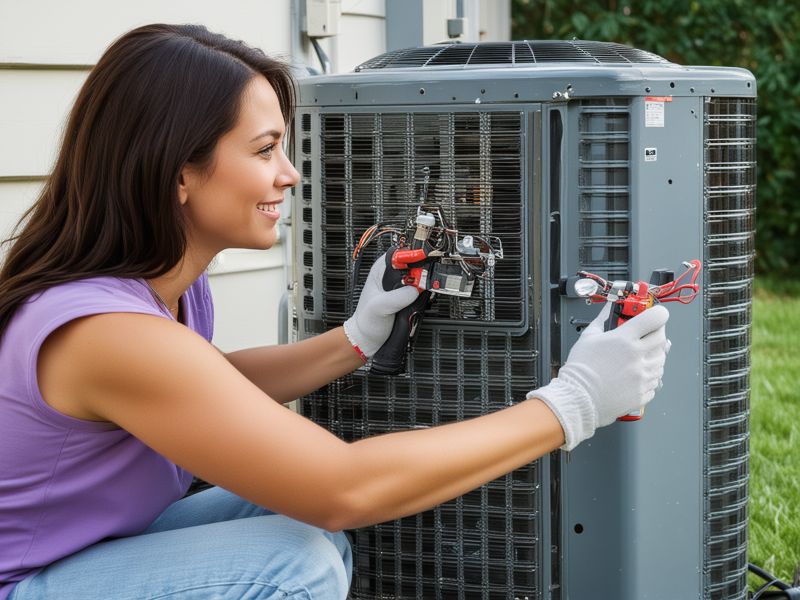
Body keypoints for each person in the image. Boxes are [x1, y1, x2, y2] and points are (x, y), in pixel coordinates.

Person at [0, 24, 670, 600]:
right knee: (296, 562)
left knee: (292, 512)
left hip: (90, 548)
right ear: (178, 172)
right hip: (29, 580)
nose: (290, 174)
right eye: (265, 151)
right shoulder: (105, 332)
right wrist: (572, 403)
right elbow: (341, 487)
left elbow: (206, 387)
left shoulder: (162, 286)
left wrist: (353, 338)